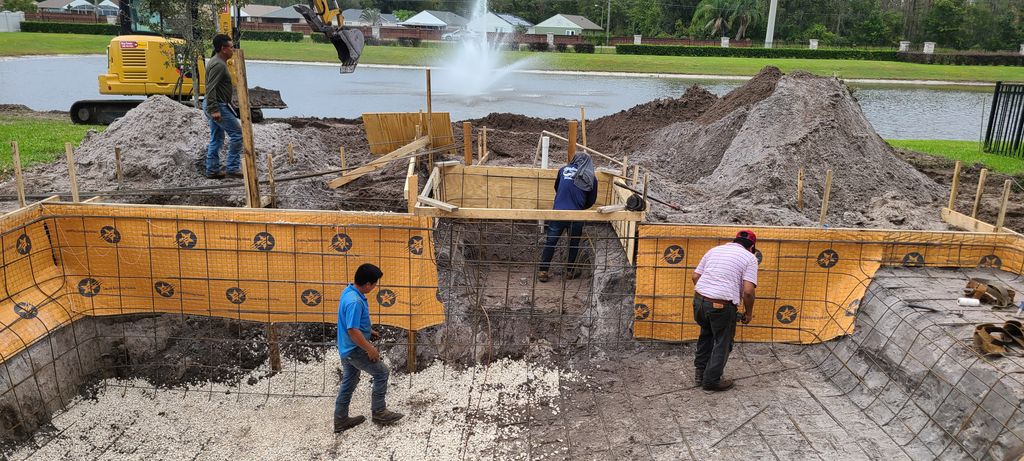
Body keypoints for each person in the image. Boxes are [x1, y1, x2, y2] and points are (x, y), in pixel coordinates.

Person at [333, 263, 404, 432]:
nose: (375, 286)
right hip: (354, 349)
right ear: (367, 285)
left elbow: (350, 322)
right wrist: (369, 349)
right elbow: (352, 330)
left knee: (349, 383)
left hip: (346, 348)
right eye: (375, 284)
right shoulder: (355, 301)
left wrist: (368, 330)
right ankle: (379, 411)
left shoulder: (349, 291)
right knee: (382, 373)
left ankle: (340, 420)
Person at [691, 230, 758, 392]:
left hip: (699, 302)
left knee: (706, 335)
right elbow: (748, 292)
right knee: (723, 342)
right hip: (721, 306)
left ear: (735, 240)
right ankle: (711, 381)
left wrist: (707, 295)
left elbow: (695, 276)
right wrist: (748, 313)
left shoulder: (715, 250)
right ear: (752, 247)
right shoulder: (750, 258)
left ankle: (700, 374)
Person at [538, 152, 598, 283]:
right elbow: (591, 200)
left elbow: (557, 187)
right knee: (574, 243)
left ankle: (543, 271)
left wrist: (562, 201)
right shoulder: (591, 177)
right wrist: (579, 207)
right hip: (576, 215)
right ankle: (569, 272)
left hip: (558, 213)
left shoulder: (562, 170)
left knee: (550, 242)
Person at [203, 34, 243, 180]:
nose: (233, 50)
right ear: (223, 48)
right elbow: (210, 88)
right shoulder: (218, 65)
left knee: (217, 137)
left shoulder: (218, 61)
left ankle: (212, 170)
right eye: (231, 47)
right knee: (237, 134)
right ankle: (232, 167)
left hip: (219, 103)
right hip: (217, 105)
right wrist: (214, 109)